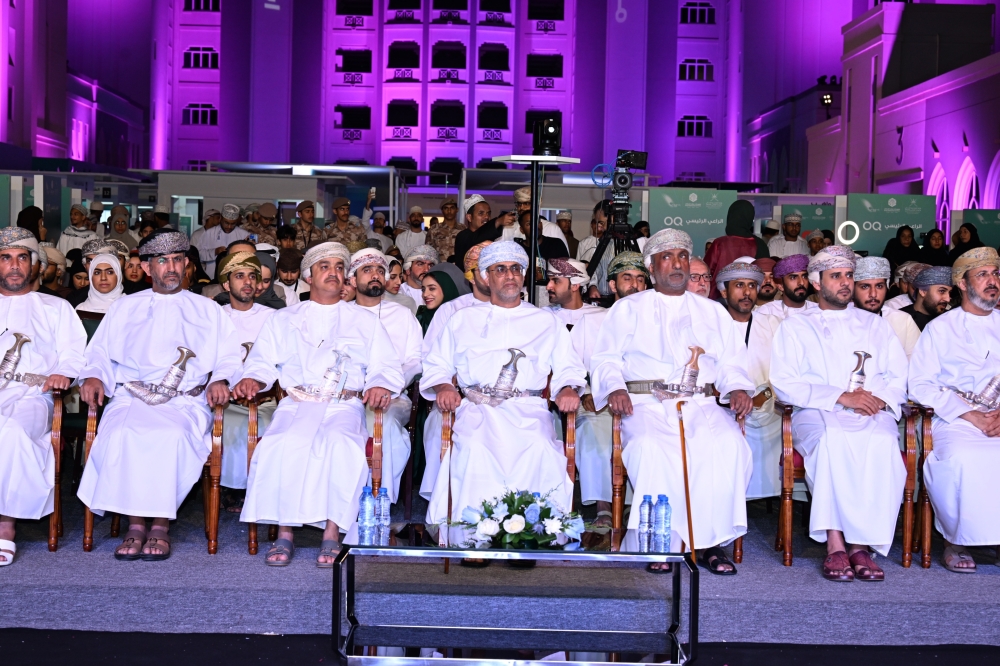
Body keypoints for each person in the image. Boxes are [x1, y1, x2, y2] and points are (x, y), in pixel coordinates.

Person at [590, 229, 754, 574]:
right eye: (667, 257)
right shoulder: (628, 308)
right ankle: (659, 542)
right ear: (652, 268)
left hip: (702, 404)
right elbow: (605, 359)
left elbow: (731, 363)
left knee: (729, 446)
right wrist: (615, 388)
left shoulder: (712, 311)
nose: (677, 264)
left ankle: (709, 543)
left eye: (682, 257)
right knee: (652, 448)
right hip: (646, 403)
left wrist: (738, 388)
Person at [234, 242, 404, 566]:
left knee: (341, 445)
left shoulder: (365, 320)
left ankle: (331, 532)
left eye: (340, 268)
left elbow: (385, 365)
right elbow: (262, 361)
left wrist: (380, 383)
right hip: (296, 404)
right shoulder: (282, 319)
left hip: (343, 405)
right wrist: (253, 380)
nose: (334, 273)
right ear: (308, 276)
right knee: (282, 443)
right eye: (325, 267)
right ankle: (285, 532)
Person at [77, 229, 241, 561]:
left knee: (170, 435)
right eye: (162, 261)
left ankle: (160, 526)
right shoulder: (125, 307)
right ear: (148, 267)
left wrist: (220, 380)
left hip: (185, 401)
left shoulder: (208, 310)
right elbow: (99, 354)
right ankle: (135, 524)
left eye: (177, 260)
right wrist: (94, 375)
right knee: (122, 433)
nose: (171, 268)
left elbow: (229, 357)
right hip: (132, 397)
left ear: (187, 266)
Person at [421, 241, 585, 549]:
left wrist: (566, 388)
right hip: (478, 407)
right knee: (473, 448)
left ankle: (536, 534)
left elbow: (570, 368)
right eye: (500, 269)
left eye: (515, 269)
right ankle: (473, 536)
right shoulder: (463, 319)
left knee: (540, 447)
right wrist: (443, 386)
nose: (509, 275)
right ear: (485, 277)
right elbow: (435, 365)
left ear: (523, 276)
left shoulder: (546, 320)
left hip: (529, 409)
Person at [770, 245, 908, 582]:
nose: (845, 283)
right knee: (832, 442)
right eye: (836, 277)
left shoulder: (875, 325)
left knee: (883, 444)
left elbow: (898, 376)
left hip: (871, 411)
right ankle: (835, 544)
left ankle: (860, 546)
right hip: (816, 410)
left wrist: (876, 400)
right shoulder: (795, 326)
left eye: (849, 275)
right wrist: (841, 397)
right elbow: (784, 382)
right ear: (817, 283)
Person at [908, 247, 1000, 574]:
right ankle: (956, 541)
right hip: (955, 419)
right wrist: (970, 414)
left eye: (996, 274)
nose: (993, 281)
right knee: (962, 458)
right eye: (984, 275)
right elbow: (919, 384)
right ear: (962, 283)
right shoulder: (940, 329)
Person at [0, 228, 87, 566]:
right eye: (6, 258)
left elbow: (74, 353)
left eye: (22, 258)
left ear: (35, 265)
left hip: (34, 397)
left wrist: (63, 373)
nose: (14, 266)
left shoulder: (55, 307)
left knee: (10, 432)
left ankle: (5, 524)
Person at [571, 251, 649, 528]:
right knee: (592, 429)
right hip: (601, 402)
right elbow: (572, 367)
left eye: (641, 279)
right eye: (627, 278)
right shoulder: (591, 321)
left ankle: (635, 505)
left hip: (645, 402)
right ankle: (605, 508)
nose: (635, 285)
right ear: (613, 285)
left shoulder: (654, 320)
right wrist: (588, 392)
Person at [350, 248, 426, 503]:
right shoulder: (342, 313)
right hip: (346, 397)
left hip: (393, 397)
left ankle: (380, 501)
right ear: (352, 279)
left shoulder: (402, 315)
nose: (375, 275)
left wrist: (386, 385)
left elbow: (416, 361)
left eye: (380, 271)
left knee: (385, 425)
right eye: (367, 270)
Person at [714, 261, 782, 500]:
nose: (747, 292)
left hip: (766, 405)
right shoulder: (712, 324)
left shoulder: (774, 325)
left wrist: (761, 397)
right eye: (739, 285)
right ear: (724, 292)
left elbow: (785, 372)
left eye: (752, 285)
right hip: (720, 404)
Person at [216, 252, 275, 509]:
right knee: (232, 425)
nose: (248, 282)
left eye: (253, 276)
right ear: (226, 284)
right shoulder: (214, 316)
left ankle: (261, 492)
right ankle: (232, 488)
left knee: (267, 424)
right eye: (239, 276)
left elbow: (279, 363)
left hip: (265, 398)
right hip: (222, 399)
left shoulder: (273, 318)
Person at [852, 256, 921, 359]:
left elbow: (917, 365)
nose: (873, 294)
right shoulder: (838, 322)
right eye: (865, 286)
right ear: (852, 289)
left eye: (879, 286)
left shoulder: (903, 320)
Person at [703, 200, 769, 298]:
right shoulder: (760, 244)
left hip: (720, 299)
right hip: (749, 299)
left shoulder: (719, 243)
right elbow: (766, 275)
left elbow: (706, 273)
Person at [451, 194, 518, 271]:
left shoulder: (492, 235)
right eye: (481, 213)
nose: (486, 217)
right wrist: (498, 221)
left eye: (488, 213)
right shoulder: (463, 236)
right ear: (469, 217)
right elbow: (476, 238)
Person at [755, 254, 815, 319]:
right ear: (780, 286)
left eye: (804, 276)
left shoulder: (820, 311)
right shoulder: (766, 312)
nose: (801, 282)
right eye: (793, 278)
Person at [197, 204, 250, 277]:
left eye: (233, 224)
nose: (229, 227)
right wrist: (215, 251)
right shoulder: (209, 233)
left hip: (235, 276)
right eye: (226, 223)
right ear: (221, 218)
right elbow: (199, 255)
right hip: (212, 277)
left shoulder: (244, 235)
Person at [416, 263, 470, 334]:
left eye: (432, 288)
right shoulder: (421, 321)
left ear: (447, 288)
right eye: (423, 290)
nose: (425, 294)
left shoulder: (465, 318)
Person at [545, 258, 600, 328]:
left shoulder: (599, 317)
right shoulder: (544, 316)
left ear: (575, 285)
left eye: (556, 281)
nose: (548, 287)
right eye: (549, 280)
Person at [901, 266, 952, 331]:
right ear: (923, 291)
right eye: (941, 291)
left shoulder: (951, 320)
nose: (948, 299)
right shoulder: (899, 319)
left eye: (950, 292)